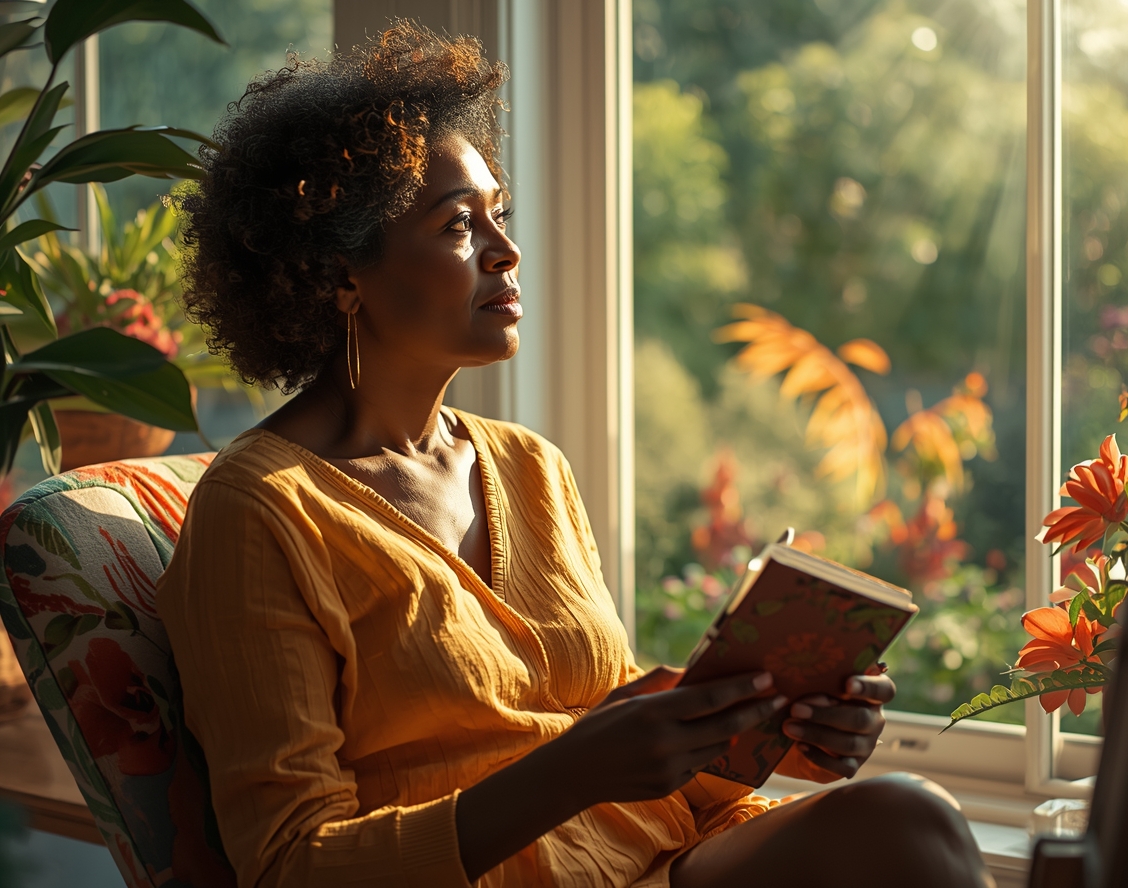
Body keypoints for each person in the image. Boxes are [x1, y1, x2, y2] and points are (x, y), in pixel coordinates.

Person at [158, 20, 994, 888]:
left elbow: (598, 731)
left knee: (906, 817)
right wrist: (574, 768)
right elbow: (291, 866)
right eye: (456, 226)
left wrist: (763, 728)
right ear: (340, 275)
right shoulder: (259, 513)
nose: (506, 250)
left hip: (658, 857)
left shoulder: (531, 468)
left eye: (499, 214)